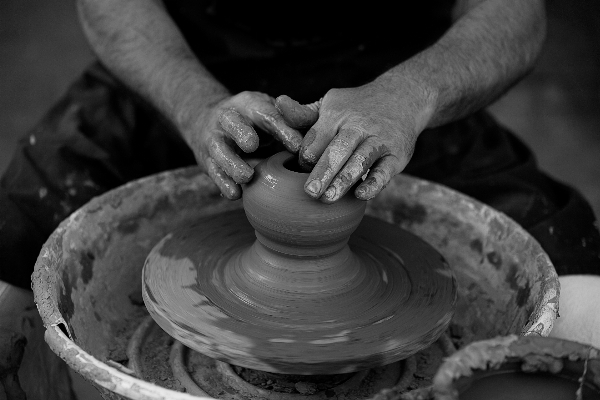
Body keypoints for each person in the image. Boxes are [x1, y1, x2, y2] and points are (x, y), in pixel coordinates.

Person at [0, 0, 599, 397]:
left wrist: (411, 95)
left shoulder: (410, 93)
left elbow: (514, 13)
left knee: (583, 311)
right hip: (184, 71)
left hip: (404, 85)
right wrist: (193, 104)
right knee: (7, 293)